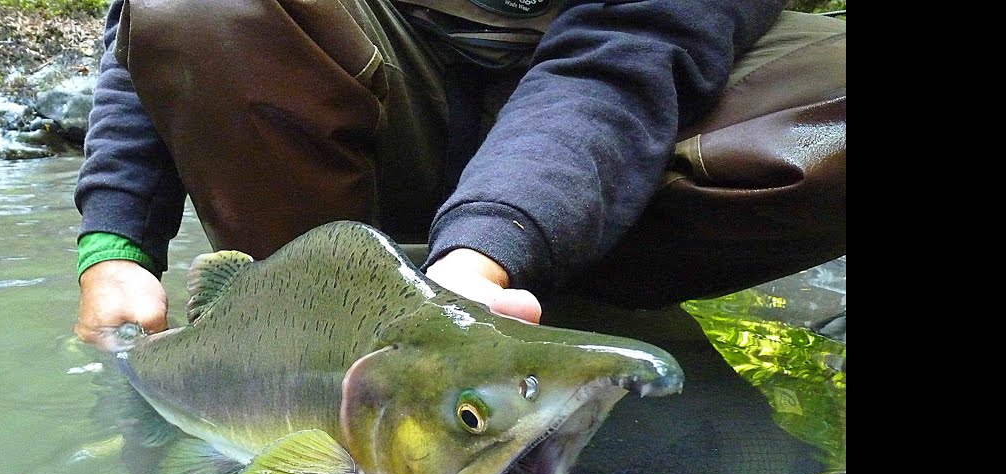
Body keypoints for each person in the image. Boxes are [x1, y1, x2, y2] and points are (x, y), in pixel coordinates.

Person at [72, 0, 846, 350]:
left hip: (631, 114)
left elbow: (617, 64)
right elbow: (146, 23)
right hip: (380, 89)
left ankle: (530, 303)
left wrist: (485, 249)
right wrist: (114, 245)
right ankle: (313, 339)